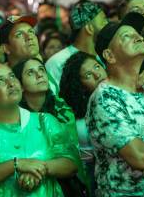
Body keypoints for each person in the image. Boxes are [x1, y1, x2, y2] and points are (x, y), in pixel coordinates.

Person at [0, 62, 79, 196]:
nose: (11, 83)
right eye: (0, 80)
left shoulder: (45, 121)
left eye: (12, 76)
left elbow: (71, 163)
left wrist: (39, 168)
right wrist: (16, 164)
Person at [87, 12, 144, 196]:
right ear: (109, 55)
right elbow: (140, 157)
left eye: (137, 33)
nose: (139, 36)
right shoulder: (105, 98)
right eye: (126, 36)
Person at [60, 51, 107, 196]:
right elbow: (79, 158)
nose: (97, 75)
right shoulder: (79, 119)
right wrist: (93, 155)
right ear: (80, 85)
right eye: (88, 75)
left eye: (97, 67)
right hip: (96, 178)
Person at [45, 0, 108, 94]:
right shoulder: (57, 63)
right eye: (103, 22)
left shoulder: (105, 57)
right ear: (89, 29)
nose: (107, 25)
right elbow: (53, 100)